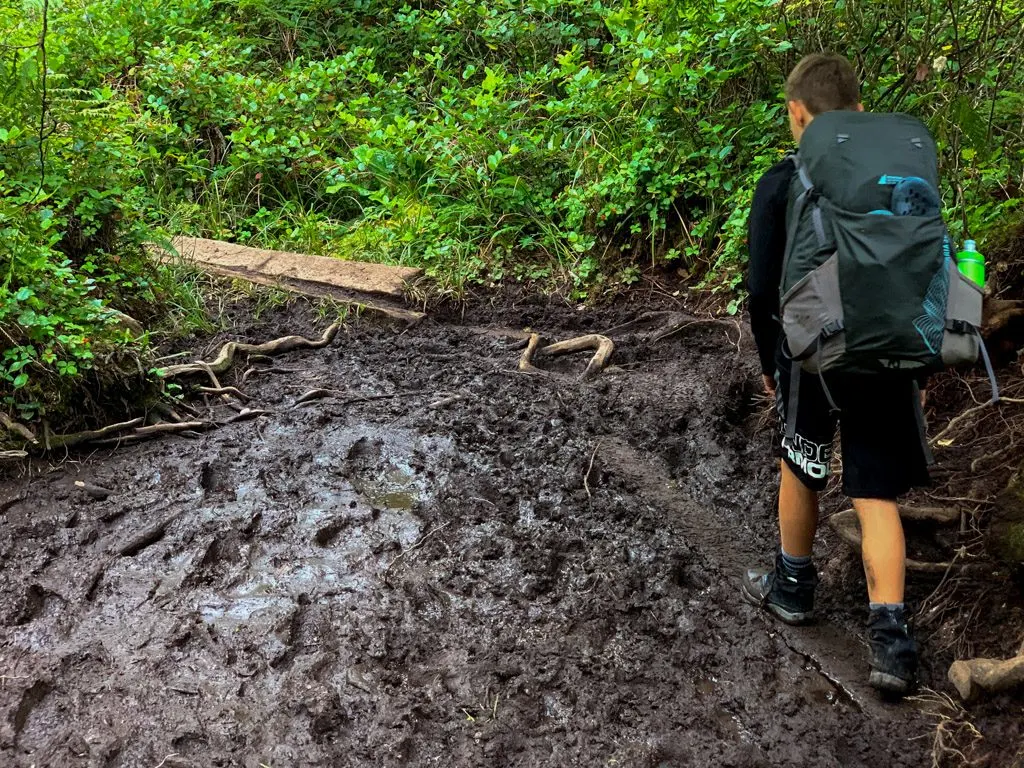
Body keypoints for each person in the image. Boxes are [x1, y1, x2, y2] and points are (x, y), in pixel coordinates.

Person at [741, 53, 926, 696]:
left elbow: (763, 288)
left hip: (812, 349)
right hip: (889, 349)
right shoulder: (900, 173)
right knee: (875, 488)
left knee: (801, 461)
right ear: (859, 107)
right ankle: (891, 643)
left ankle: (792, 585)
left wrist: (771, 359)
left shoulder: (783, 180)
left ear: (797, 112)